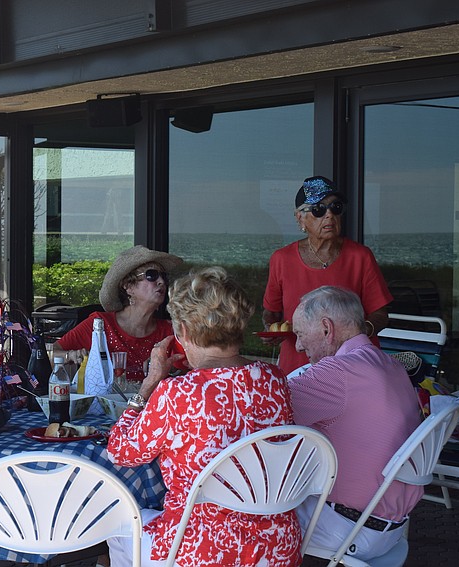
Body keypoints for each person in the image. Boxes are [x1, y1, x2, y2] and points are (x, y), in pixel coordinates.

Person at [107, 267, 298, 567]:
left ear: (182, 332)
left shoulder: (176, 393)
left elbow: (120, 451)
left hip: (202, 551)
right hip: (275, 548)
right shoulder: (275, 380)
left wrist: (150, 385)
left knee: (118, 524)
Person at [289, 286, 421, 562]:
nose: (298, 346)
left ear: (327, 329)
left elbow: (259, 411)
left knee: (243, 510)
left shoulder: (339, 372)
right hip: (390, 529)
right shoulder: (390, 365)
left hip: (348, 530)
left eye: (300, 334)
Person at [262, 175, 393, 375]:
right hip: (298, 367)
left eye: (335, 208)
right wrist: (271, 330)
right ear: (300, 218)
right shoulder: (282, 259)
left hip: (353, 367)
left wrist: (356, 334)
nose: (329, 215)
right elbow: (271, 312)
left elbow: (381, 314)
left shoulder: (360, 257)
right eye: (318, 210)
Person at [54, 245, 184, 382]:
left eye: (163, 276)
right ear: (128, 286)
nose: (161, 282)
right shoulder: (100, 324)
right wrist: (70, 355)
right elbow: (49, 353)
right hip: (107, 403)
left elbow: (193, 367)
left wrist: (171, 368)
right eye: (151, 275)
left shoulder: (170, 330)